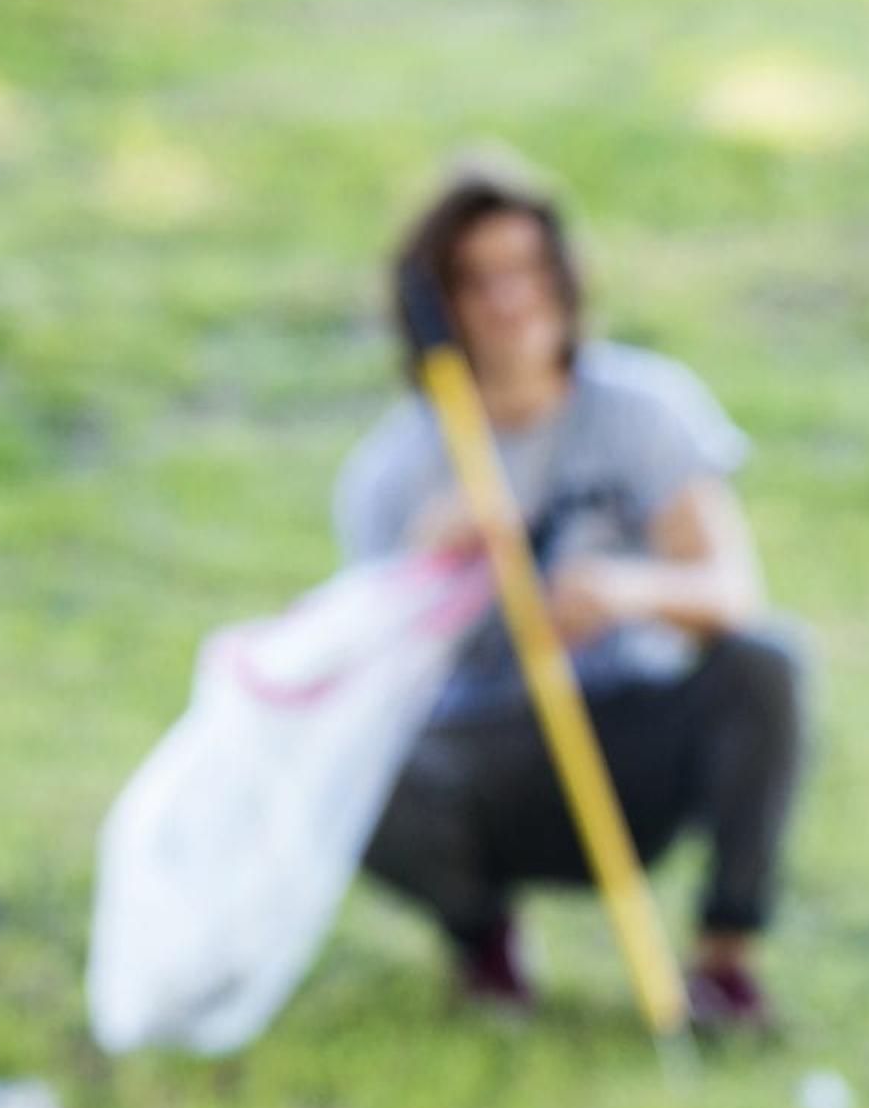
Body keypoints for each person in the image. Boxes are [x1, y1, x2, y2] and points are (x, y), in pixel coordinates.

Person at [334, 163, 802, 1032]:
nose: (510, 300)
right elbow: (364, 670)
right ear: (437, 304)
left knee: (767, 664)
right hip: (486, 753)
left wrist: (633, 591)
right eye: (478, 280)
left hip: (631, 729)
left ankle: (725, 965)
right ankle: (483, 940)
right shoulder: (395, 471)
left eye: (527, 269)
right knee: (347, 761)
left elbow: (734, 592)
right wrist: (426, 568)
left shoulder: (645, 410)